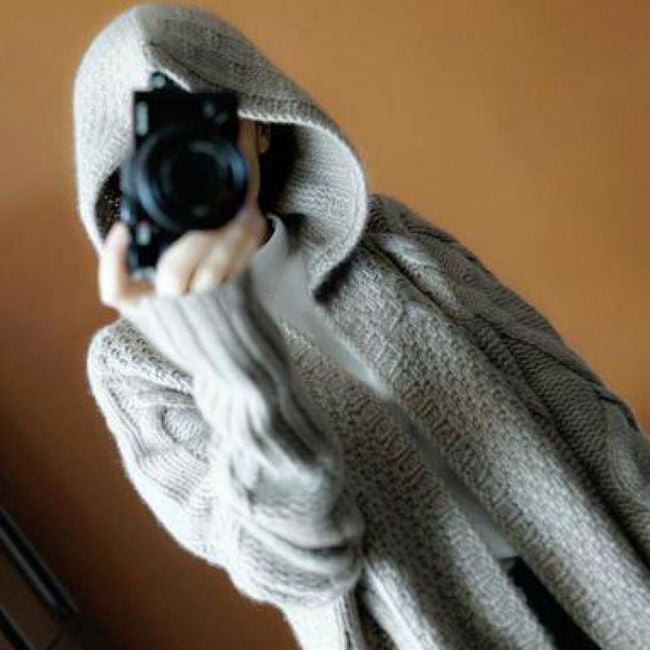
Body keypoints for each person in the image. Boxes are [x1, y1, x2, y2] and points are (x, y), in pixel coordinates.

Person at [73, 4, 650, 648]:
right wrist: (222, 348)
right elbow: (293, 567)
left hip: (599, 582)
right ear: (124, 183)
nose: (191, 166)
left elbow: (561, 393)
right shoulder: (137, 362)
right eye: (157, 152)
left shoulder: (387, 237)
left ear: (260, 125)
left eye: (202, 126)